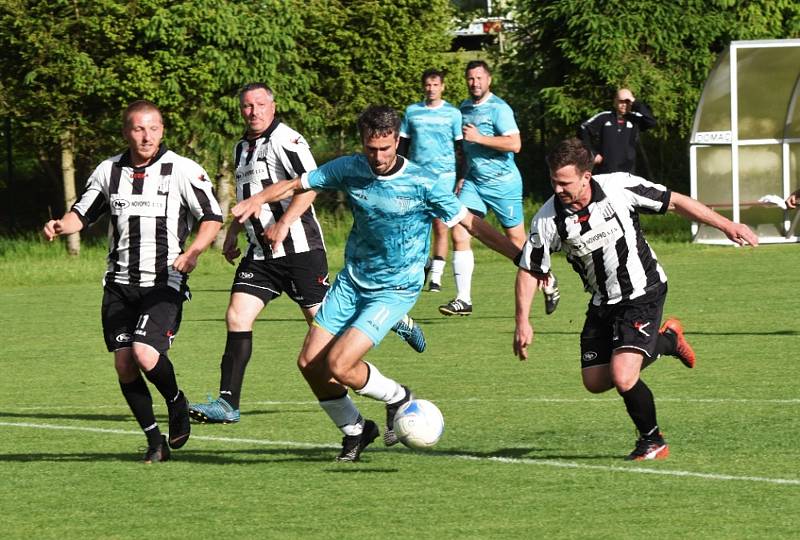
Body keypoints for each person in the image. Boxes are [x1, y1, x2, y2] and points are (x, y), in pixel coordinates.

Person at [232, 105, 520, 461]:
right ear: (363, 142)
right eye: (371, 148)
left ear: (397, 141)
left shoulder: (423, 182)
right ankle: (356, 430)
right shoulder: (349, 168)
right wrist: (257, 199)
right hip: (352, 282)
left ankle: (398, 396)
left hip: (395, 289)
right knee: (309, 363)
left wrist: (519, 256)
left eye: (386, 148)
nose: (379, 157)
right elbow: (299, 184)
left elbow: (472, 224)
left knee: (338, 364)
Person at [189, 84, 426, 426]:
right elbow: (250, 196)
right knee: (237, 317)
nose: (252, 111)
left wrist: (285, 222)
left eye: (259, 104)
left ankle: (392, 327)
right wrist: (234, 233)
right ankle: (228, 403)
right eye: (246, 106)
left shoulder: (288, 139)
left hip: (299, 251)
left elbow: (310, 184)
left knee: (325, 340)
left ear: (272, 106)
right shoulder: (242, 148)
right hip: (260, 255)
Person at [513, 138, 758, 461]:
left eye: (564, 182)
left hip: (644, 292)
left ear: (587, 176)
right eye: (553, 181)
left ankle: (653, 441)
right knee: (595, 381)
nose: (557, 189)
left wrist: (726, 225)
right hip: (603, 302)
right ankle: (668, 341)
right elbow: (530, 269)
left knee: (623, 375)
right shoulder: (547, 220)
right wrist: (523, 321)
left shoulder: (619, 188)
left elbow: (676, 202)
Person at [42, 100, 223, 463]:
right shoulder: (108, 171)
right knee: (124, 364)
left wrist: (194, 253)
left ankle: (176, 402)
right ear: (126, 132)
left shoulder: (182, 170)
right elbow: (83, 212)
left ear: (162, 130)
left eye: (153, 128)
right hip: (119, 284)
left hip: (164, 281)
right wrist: (62, 225)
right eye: (138, 129)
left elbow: (212, 217)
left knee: (144, 353)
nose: (146, 136)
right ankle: (155, 441)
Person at [439, 60, 560, 317]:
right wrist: (462, 175)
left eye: (479, 78)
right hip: (474, 182)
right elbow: (467, 149)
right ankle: (463, 300)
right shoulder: (464, 108)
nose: (475, 83)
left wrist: (480, 138)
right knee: (460, 230)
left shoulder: (499, 108)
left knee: (518, 241)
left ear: (489, 80)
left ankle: (547, 278)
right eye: (470, 78)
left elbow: (515, 144)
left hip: (503, 184)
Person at [398, 68, 463, 292]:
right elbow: (403, 145)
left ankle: (436, 275)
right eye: (428, 85)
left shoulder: (453, 114)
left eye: (435, 85)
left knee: (440, 224)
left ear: (442, 87)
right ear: (423, 87)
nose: (431, 89)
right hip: (417, 176)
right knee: (415, 223)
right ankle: (421, 265)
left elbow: (459, 148)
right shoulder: (412, 112)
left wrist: (461, 177)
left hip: (444, 176)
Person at [579, 88, 656, 175]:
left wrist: (635, 102)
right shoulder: (604, 117)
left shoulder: (635, 119)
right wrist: (592, 153)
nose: (624, 105)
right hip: (604, 171)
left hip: (628, 172)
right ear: (615, 101)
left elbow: (651, 122)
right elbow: (583, 128)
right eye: (621, 101)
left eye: (627, 101)